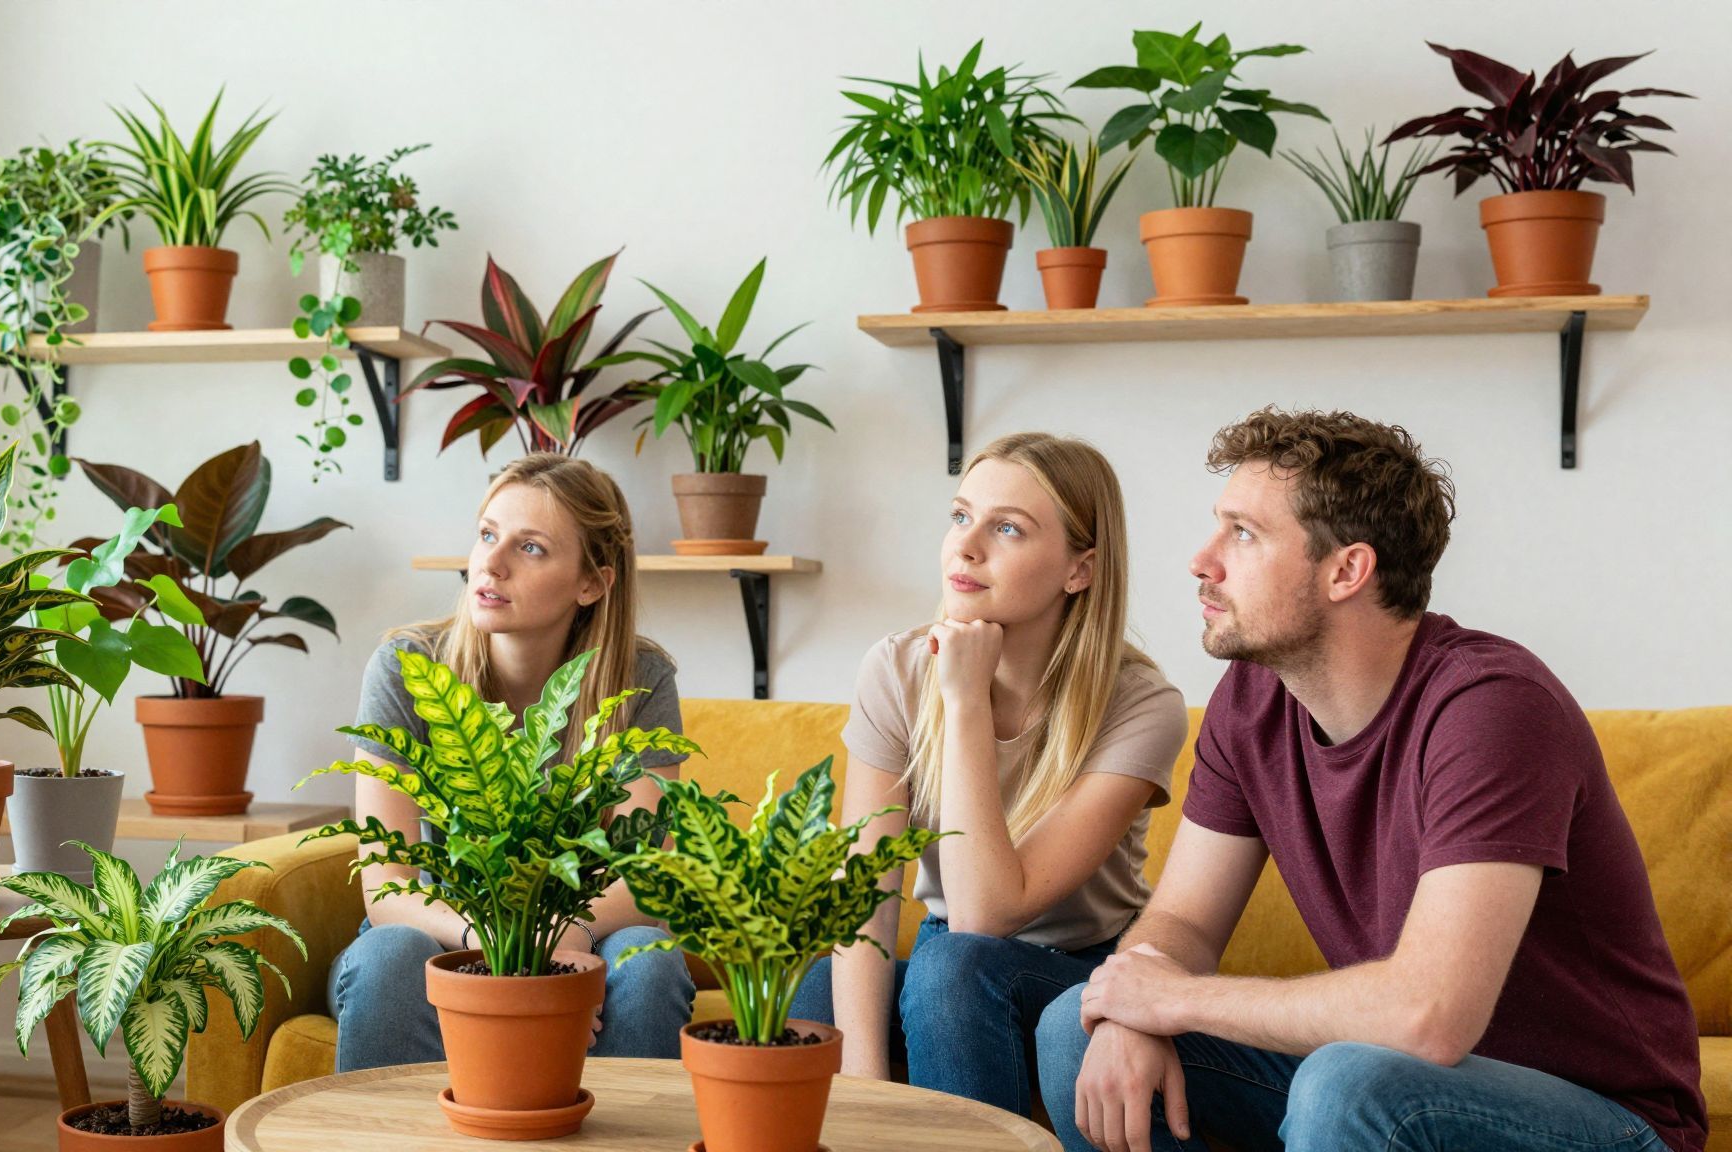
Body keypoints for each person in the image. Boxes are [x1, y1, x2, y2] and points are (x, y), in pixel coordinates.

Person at [1037, 408, 1707, 1152]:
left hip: (1608, 1121)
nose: (1203, 560)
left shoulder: (1492, 709)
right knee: (1080, 1031)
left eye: (1243, 534)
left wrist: (1178, 997)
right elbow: (1186, 922)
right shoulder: (1253, 698)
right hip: (1400, 1088)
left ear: (1346, 571)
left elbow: (1430, 1015)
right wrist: (1135, 1006)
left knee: (1351, 1083)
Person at [787, 432, 1187, 1115]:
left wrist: (965, 700)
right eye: (961, 517)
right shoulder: (895, 669)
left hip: (1079, 974)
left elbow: (986, 914)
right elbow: (867, 892)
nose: (966, 547)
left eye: (1007, 528)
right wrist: (864, 1083)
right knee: (819, 992)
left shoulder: (1142, 705)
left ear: (1079, 570)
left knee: (952, 966)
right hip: (951, 960)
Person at [328, 453, 695, 1071]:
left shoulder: (641, 679)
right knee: (390, 956)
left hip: (586, 934)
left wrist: (555, 954)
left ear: (592, 583)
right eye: (488, 534)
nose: (488, 564)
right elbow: (385, 887)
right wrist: (499, 955)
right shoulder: (408, 666)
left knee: (648, 960)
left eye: (530, 548)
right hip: (447, 932)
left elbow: (644, 878)